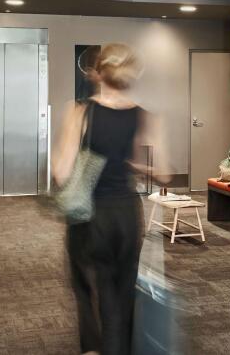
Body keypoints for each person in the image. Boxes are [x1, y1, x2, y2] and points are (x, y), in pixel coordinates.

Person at [52, 43, 168, 355]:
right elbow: (164, 174)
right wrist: (132, 165)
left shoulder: (79, 111)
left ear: (98, 73)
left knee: (85, 285)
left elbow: (61, 173)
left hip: (91, 215)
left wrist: (73, 160)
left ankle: (92, 348)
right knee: (121, 290)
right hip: (127, 215)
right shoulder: (145, 116)